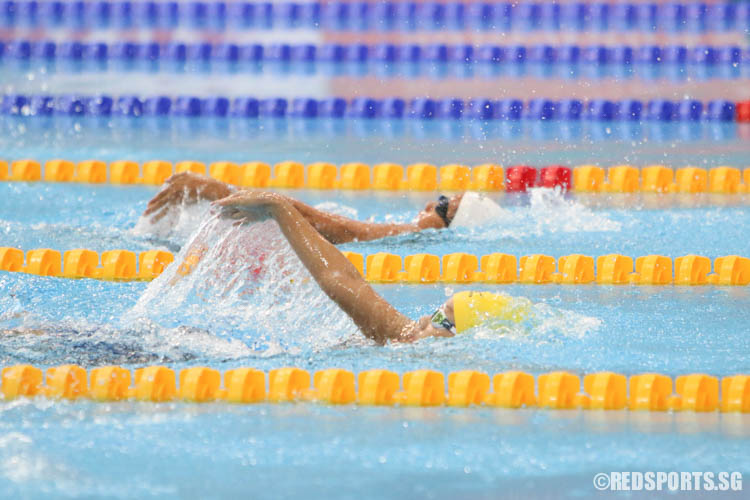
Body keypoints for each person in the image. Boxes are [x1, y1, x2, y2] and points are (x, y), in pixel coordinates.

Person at [214, 191, 528, 344]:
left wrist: (277, 208)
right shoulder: (425, 346)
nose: (431, 205)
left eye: (439, 319)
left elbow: (340, 279)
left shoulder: (415, 344)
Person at [143, 172, 464, 244]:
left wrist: (219, 190)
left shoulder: (407, 233)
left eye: (442, 206)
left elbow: (329, 226)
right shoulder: (402, 233)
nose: (428, 203)